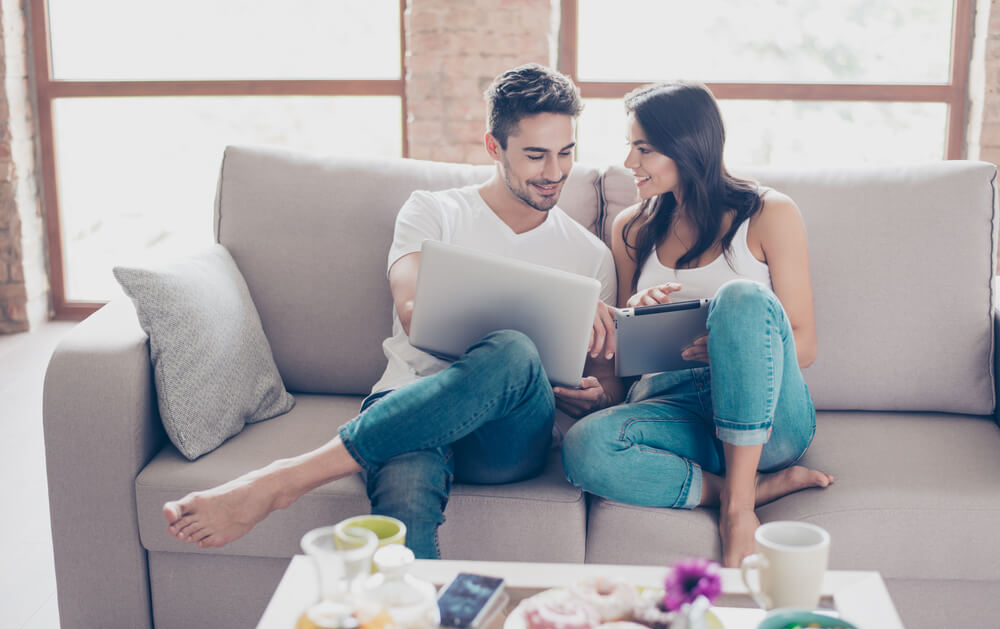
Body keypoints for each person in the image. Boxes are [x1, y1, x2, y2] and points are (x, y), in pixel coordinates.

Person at [162, 64, 621, 558]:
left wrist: (593, 395)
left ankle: (285, 479)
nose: (554, 172)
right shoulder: (432, 212)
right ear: (493, 147)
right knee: (403, 524)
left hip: (506, 439)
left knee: (514, 351)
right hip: (406, 401)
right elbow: (412, 312)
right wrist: (537, 308)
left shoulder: (589, 256)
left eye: (565, 152)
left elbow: (608, 381)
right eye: (535, 155)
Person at [561, 81, 833, 568]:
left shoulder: (769, 213)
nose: (630, 163)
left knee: (741, 298)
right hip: (675, 411)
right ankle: (747, 487)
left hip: (769, 420)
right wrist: (636, 314)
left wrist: (735, 345)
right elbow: (623, 371)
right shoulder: (631, 228)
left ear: (688, 147)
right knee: (584, 447)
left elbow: (806, 346)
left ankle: (738, 511)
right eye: (630, 147)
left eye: (642, 149)